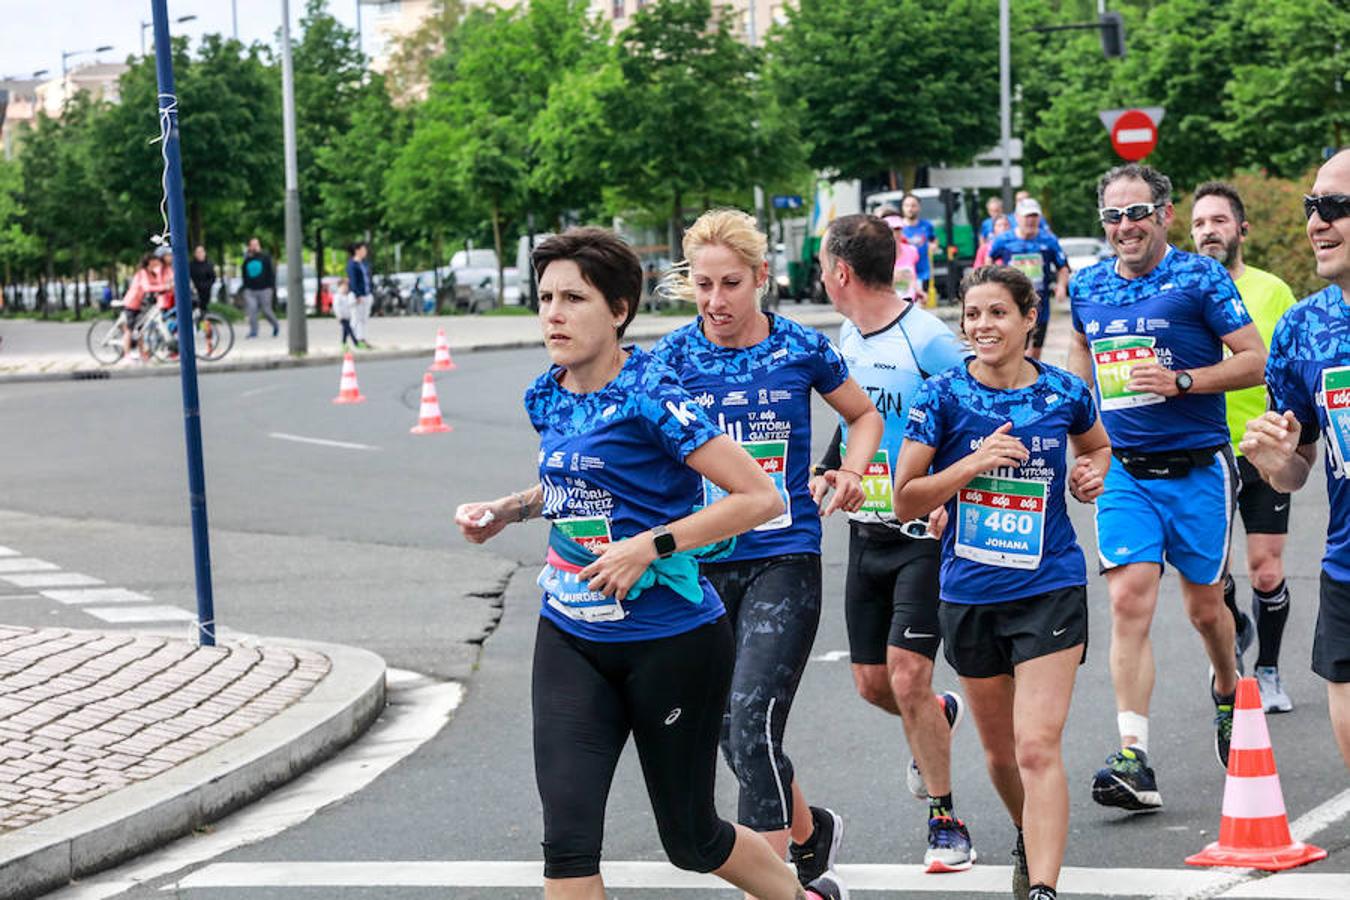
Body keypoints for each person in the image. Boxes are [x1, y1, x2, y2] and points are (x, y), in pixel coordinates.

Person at [453, 227, 846, 900]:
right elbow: (581, 486)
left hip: (670, 643)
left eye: (573, 297)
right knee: (568, 841)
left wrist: (651, 545)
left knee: (692, 839)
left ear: (618, 310)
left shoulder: (654, 394)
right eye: (545, 297)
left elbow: (758, 496)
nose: (553, 313)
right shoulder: (544, 395)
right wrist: (510, 509)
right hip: (572, 632)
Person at [651, 209, 883, 891]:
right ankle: (813, 835)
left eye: (730, 284)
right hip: (699, 566)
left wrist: (850, 470)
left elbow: (863, 415)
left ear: (760, 278)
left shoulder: (798, 348)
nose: (716, 302)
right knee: (729, 730)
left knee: (750, 719)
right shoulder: (668, 358)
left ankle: (780, 881)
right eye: (703, 285)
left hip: (784, 557)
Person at [895, 265, 1111, 900]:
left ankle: (1043, 887)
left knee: (1037, 745)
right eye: (973, 315)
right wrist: (973, 463)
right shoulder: (941, 397)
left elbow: (1096, 449)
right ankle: (1027, 832)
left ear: (1027, 319)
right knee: (1001, 753)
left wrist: (1088, 475)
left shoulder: (1064, 393)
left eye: (997, 313)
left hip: (1050, 585)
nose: (982, 326)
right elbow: (906, 500)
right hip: (969, 592)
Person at [1067, 163, 1266, 812]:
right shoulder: (1088, 284)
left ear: (1165, 214)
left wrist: (1182, 382)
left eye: (1137, 213)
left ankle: (1227, 684)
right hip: (1125, 470)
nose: (1126, 227)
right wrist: (1082, 445)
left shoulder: (1199, 278)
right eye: (1113, 216)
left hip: (1198, 469)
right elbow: (1079, 357)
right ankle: (1134, 756)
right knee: (1128, 600)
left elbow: (1254, 358)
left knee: (1206, 610)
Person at [810, 213, 974, 873]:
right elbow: (859, 421)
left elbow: (978, 409)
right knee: (873, 684)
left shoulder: (929, 341)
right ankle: (935, 716)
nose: (822, 277)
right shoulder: (849, 335)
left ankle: (946, 822)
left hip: (923, 533)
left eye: (823, 266)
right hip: (866, 531)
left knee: (907, 676)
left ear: (842, 272)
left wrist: (955, 499)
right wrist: (830, 469)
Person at [1241, 149, 1350, 769]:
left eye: (1335, 207)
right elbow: (1299, 464)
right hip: (1346, 563)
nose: (1316, 222)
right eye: (1312, 206)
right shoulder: (1303, 329)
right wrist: (1273, 462)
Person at [1190, 181, 1298, 712]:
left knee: (1267, 570)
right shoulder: (1182, 292)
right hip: (1204, 454)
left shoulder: (1273, 291)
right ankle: (1237, 623)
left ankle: (1270, 671)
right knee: (1215, 577)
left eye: (1219, 221)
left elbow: (1298, 365)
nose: (1209, 231)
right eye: (1200, 223)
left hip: (1261, 450)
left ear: (1241, 229)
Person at [988, 199, 1069, 360]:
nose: (1031, 220)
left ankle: (1030, 380)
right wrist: (991, 284)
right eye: (1027, 216)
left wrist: (1061, 286)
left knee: (1035, 352)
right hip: (1011, 301)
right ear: (1017, 218)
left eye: (1034, 216)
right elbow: (989, 260)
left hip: (1039, 302)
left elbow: (1063, 267)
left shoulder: (1049, 240)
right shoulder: (1004, 240)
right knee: (1017, 347)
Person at [119, 251, 171, 361]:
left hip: (141, 304)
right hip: (132, 303)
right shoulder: (142, 273)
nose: (158, 266)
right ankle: (126, 355)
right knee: (129, 328)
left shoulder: (152, 274)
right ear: (150, 262)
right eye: (156, 264)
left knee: (140, 330)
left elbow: (157, 286)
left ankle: (142, 354)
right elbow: (147, 287)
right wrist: (163, 287)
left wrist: (166, 288)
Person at [901, 194, 940, 297]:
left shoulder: (926, 226)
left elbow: (934, 240)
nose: (910, 209)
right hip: (904, 273)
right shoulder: (898, 227)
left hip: (923, 272)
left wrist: (933, 246)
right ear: (903, 207)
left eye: (913, 205)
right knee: (905, 302)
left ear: (919, 207)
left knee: (921, 302)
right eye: (907, 205)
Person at [242, 237, 279, 339]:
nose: (253, 247)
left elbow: (271, 273)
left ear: (259, 246)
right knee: (252, 310)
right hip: (250, 289)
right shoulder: (247, 258)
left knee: (266, 310)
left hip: (265, 288)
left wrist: (271, 287)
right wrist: (245, 286)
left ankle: (275, 325)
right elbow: (244, 273)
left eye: (256, 245)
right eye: (251, 245)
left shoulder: (265, 257)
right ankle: (254, 331)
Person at [882, 214, 923, 300]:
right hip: (889, 302)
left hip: (910, 302)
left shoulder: (912, 251)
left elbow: (913, 276)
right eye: (891, 230)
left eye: (898, 229)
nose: (895, 233)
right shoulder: (878, 254)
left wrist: (918, 290)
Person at [346, 242, 373, 349]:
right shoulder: (352, 264)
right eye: (363, 249)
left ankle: (362, 339)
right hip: (357, 296)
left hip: (366, 294)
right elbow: (353, 281)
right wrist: (357, 295)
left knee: (363, 319)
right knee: (355, 319)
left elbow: (368, 278)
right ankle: (352, 340)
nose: (365, 252)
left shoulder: (364, 263)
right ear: (357, 251)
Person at [189, 245, 216, 314]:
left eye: (201, 252)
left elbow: (213, 278)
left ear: (204, 253)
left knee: (204, 312)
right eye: (198, 252)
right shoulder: (191, 265)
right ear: (195, 254)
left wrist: (206, 286)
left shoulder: (209, 265)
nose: (200, 254)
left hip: (205, 292)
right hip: (194, 293)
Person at [333, 277, 358, 349]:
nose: (346, 288)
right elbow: (336, 307)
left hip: (347, 316)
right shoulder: (338, 296)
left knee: (345, 331)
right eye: (344, 287)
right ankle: (356, 342)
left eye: (347, 287)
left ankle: (343, 343)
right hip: (342, 317)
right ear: (339, 287)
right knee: (349, 330)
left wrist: (355, 302)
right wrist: (339, 316)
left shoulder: (346, 296)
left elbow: (349, 305)